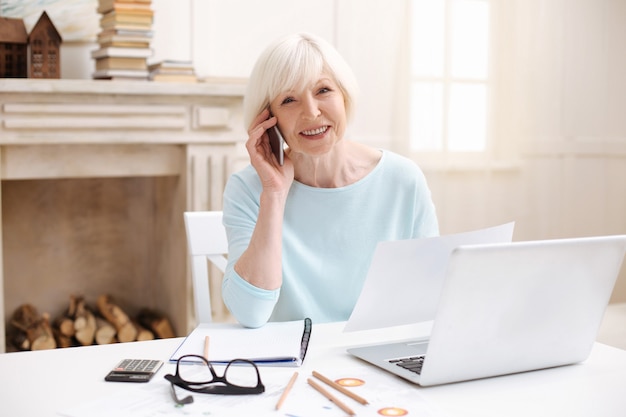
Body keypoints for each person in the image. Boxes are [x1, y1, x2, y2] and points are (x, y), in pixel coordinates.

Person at [222, 33, 439, 328]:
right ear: (267, 119)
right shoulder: (248, 189)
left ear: (345, 97)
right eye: (289, 99)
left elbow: (429, 298)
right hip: (292, 363)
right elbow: (250, 314)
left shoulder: (403, 180)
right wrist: (273, 194)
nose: (311, 111)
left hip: (374, 356)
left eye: (323, 90)